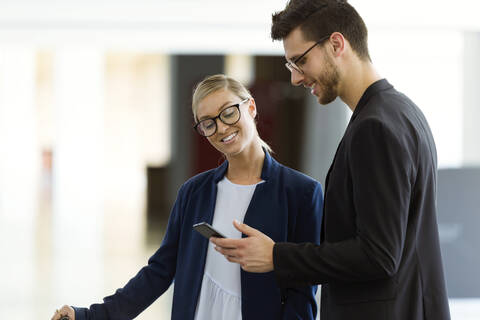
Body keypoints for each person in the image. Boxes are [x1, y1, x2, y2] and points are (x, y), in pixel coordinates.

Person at [211, 1, 452, 319]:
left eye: (300, 61)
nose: (295, 79)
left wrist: (277, 256)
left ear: (337, 44)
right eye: (290, 66)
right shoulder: (402, 112)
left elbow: (378, 255)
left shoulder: (375, 127)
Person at [51, 74, 323, 320]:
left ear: (250, 107)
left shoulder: (301, 193)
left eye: (228, 113)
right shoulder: (194, 192)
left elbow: (304, 293)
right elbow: (159, 272)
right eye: (208, 123)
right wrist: (90, 316)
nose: (221, 128)